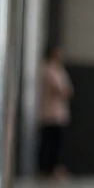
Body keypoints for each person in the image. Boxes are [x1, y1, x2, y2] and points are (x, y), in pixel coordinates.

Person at [38, 44, 73, 179]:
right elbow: (60, 90)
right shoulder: (48, 69)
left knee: (56, 143)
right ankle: (46, 169)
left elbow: (68, 90)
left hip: (59, 114)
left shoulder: (60, 70)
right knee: (48, 143)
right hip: (49, 114)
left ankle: (53, 167)